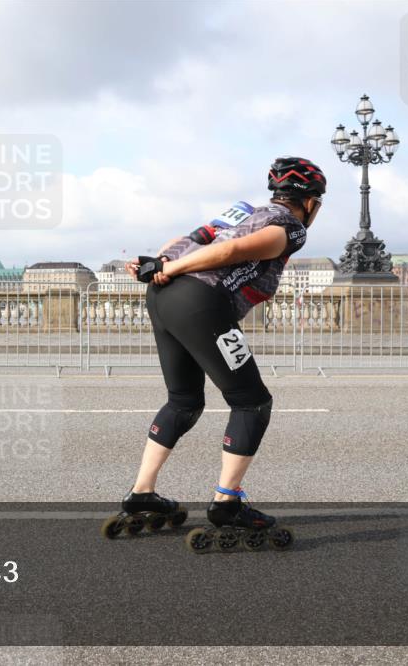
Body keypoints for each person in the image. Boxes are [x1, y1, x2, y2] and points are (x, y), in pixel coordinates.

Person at [113, 156, 326, 542]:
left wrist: (160, 263)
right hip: (201, 303)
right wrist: (174, 269)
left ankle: (141, 493)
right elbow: (232, 253)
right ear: (310, 202)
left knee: (183, 400)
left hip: (162, 297)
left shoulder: (242, 210)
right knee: (251, 402)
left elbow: (189, 239)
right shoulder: (291, 228)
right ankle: (227, 502)